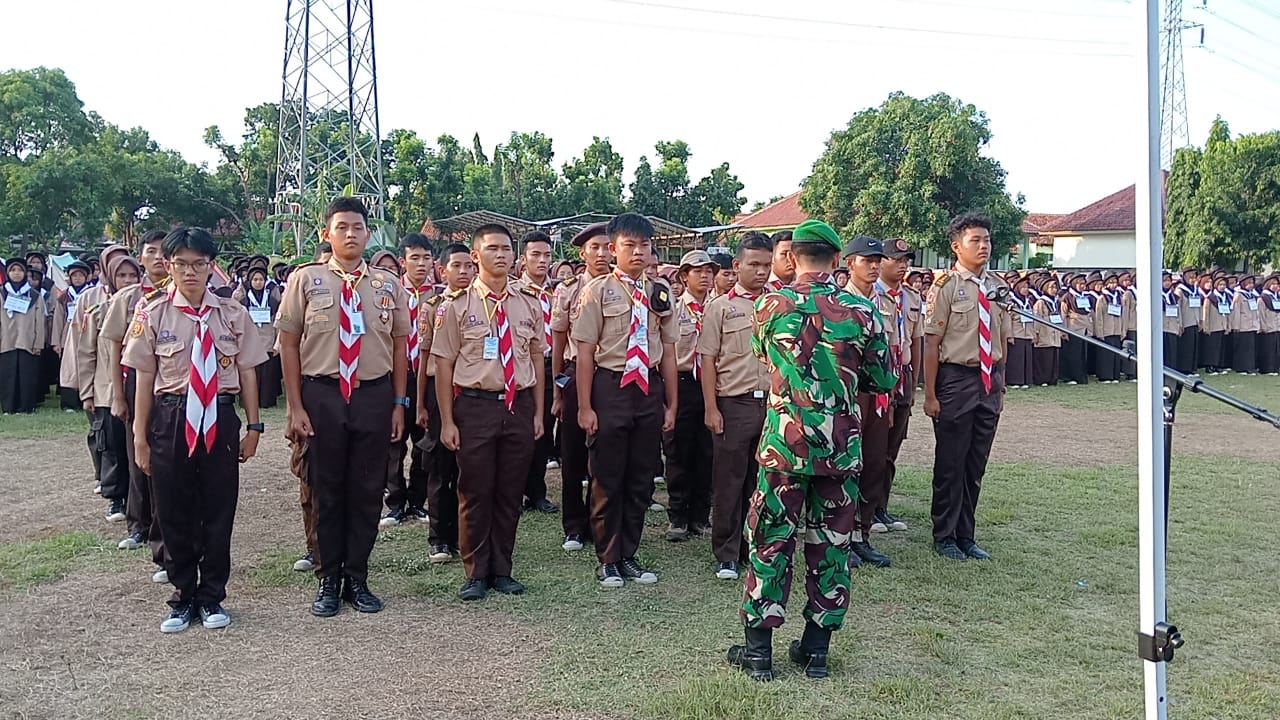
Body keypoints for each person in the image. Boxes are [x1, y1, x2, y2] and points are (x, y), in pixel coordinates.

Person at [729, 219, 895, 682]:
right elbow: (883, 379)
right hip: (839, 448)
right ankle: (816, 651)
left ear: (791, 257)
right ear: (837, 258)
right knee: (832, 547)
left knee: (770, 540)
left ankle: (758, 652)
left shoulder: (769, 305)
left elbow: (764, 356)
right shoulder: (863, 311)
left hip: (784, 446)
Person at [124, 227, 267, 633]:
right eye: (181, 264)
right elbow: (144, 379)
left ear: (211, 267)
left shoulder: (232, 313)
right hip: (172, 416)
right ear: (168, 266)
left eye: (199, 264)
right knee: (173, 508)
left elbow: (248, 372)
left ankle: (212, 596)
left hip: (219, 415)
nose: (190, 272)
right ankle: (182, 596)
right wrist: (139, 437)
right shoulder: (152, 312)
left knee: (218, 508)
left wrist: (254, 426)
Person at [276, 197, 410, 617]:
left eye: (358, 227)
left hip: (373, 394)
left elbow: (400, 347)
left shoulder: (388, 284)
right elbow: (288, 345)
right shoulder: (306, 280)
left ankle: (357, 576)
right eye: (342, 227)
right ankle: (328, 578)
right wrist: (295, 406)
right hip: (322, 394)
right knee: (325, 490)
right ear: (327, 234)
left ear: (369, 233)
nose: (351, 234)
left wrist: (398, 403)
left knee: (367, 490)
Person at [432, 224, 545, 601]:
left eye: (506, 249)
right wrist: (447, 420)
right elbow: (443, 364)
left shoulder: (528, 303)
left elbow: (536, 359)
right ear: (476, 256)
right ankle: (476, 572)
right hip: (475, 406)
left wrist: (538, 413)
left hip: (518, 404)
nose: (501, 255)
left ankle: (502, 569)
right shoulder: (456, 305)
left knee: (510, 492)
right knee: (475, 491)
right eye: (492, 248)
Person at [572, 213, 677, 587]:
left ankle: (629, 553)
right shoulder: (597, 291)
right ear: (613, 249)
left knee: (641, 476)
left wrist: (671, 404)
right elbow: (585, 353)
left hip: (648, 388)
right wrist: (585, 406)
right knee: (607, 475)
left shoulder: (660, 292)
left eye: (644, 245)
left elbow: (668, 350)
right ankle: (608, 557)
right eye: (629, 245)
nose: (638, 252)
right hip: (610, 386)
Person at [923, 212, 1011, 562]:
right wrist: (930, 394)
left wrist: (1001, 382)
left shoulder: (998, 286)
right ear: (956, 246)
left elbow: (1003, 337)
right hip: (956, 379)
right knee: (951, 462)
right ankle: (944, 535)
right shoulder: (945, 286)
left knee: (976, 463)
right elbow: (932, 343)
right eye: (975, 240)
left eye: (987, 240)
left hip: (989, 379)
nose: (983, 246)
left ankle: (966, 535)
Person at [700, 234, 772, 580]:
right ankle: (727, 553)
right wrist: (711, 408)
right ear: (737, 265)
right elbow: (708, 359)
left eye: (767, 265)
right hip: (734, 403)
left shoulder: (779, 304)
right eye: (754, 264)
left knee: (762, 482)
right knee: (729, 482)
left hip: (771, 404)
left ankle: (754, 547)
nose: (761, 271)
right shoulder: (720, 307)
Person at [100, 230, 172, 570]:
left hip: (170, 385)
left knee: (168, 457)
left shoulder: (180, 295)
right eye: (151, 251)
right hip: (134, 384)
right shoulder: (128, 298)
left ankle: (165, 523)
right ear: (140, 257)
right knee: (137, 455)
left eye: (163, 252)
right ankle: (138, 524)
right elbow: (114, 347)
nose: (158, 258)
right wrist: (117, 394)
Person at [550, 223, 611, 552]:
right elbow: (559, 341)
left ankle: (598, 521)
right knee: (573, 453)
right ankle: (573, 525)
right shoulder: (569, 289)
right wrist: (558, 390)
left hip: (611, 376)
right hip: (575, 374)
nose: (601, 254)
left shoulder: (623, 287)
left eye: (606, 247)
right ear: (582, 253)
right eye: (594, 248)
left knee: (605, 455)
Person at [842, 235, 897, 568]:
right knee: (848, 465)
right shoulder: (840, 302)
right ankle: (843, 537)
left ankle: (862, 535)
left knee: (874, 462)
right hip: (852, 392)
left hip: (878, 392)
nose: (874, 266)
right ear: (850, 263)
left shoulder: (886, 301)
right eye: (867, 261)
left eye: (878, 261)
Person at [418, 243, 474, 563]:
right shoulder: (433, 307)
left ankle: (467, 534)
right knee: (440, 465)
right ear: (443, 271)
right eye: (456, 266)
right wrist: (420, 405)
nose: (464, 272)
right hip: (438, 392)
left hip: (471, 392)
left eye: (469, 266)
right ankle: (440, 537)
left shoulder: (483, 304)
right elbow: (424, 357)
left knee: (470, 466)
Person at [380, 233, 435, 527]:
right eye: (415, 258)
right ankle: (395, 502)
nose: (421, 264)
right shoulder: (388, 294)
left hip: (426, 376)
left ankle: (417, 501)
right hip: (395, 375)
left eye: (426, 258)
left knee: (424, 441)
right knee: (394, 442)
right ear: (403, 261)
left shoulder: (440, 297)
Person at [663, 250, 717, 542]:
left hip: (712, 384)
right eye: (698, 271)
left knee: (707, 452)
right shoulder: (673, 309)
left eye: (709, 271)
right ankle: (678, 516)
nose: (705, 276)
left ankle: (700, 515)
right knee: (679, 451)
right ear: (684, 276)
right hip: (683, 383)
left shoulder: (720, 307)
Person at [875, 240, 923, 531]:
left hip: (902, 374)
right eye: (896, 259)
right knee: (873, 444)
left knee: (892, 446)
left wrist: (914, 383)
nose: (903, 265)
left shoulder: (911, 297)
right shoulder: (871, 294)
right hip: (878, 375)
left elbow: (916, 341)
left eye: (906, 260)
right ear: (881, 261)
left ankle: (882, 506)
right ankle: (865, 508)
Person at [513, 231, 560, 515]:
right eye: (536, 255)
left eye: (547, 255)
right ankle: (514, 491)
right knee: (519, 431)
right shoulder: (514, 292)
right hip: (522, 367)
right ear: (523, 259)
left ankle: (537, 492)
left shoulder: (558, 292)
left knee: (543, 429)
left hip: (552, 366)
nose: (543, 261)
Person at [1, 257, 48, 414]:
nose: (16, 273)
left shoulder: (34, 295)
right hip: (6, 341)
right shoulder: (2, 293)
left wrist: (38, 343)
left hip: (28, 342)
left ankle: (26, 406)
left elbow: (39, 321)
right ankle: (8, 406)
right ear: (7, 273)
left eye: (20, 270)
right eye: (13, 270)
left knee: (27, 376)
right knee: (8, 376)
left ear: (25, 273)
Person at [238, 266, 282, 407]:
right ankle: (249, 400)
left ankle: (266, 401)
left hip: (268, 339)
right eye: (255, 280)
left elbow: (277, 321)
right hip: (250, 341)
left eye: (261, 280)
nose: (258, 282)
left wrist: (277, 342)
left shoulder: (273, 300)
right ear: (250, 281)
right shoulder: (244, 300)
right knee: (251, 373)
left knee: (267, 373)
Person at [52, 259, 93, 410]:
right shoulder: (64, 296)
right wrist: (56, 341)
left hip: (87, 333)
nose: (77, 278)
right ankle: (69, 402)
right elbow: (58, 319)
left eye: (81, 275)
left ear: (87, 277)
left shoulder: (92, 294)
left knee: (86, 366)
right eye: (74, 275)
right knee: (69, 368)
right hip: (68, 335)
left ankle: (85, 398)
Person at [1092, 272, 1125, 383]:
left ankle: (1115, 375)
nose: (1113, 285)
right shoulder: (1102, 298)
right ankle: (1106, 376)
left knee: (1116, 354)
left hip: (1117, 330)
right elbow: (1099, 316)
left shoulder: (1119, 297)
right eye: (1111, 282)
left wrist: (1122, 330)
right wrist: (1100, 332)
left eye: (1115, 282)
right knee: (1106, 355)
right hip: (1106, 330)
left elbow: (1123, 315)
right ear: (1106, 284)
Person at [1031, 277, 1064, 387]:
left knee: (1054, 357)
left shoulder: (1056, 302)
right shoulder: (1041, 302)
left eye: (1055, 287)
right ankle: (1042, 379)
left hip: (1055, 332)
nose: (1054, 290)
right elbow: (1037, 318)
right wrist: (1036, 333)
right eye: (1051, 287)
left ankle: (1052, 379)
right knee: (1044, 357)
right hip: (1044, 332)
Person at [1059, 274, 1091, 385]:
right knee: (1073, 355)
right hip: (1072, 330)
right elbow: (1063, 315)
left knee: (1082, 355)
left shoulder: (1084, 297)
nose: (1082, 286)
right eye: (1080, 284)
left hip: (1084, 330)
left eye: (1084, 284)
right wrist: (1064, 331)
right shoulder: (1067, 298)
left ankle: (1081, 376)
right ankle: (1071, 377)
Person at [1005, 274, 1035, 389]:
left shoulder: (1028, 302)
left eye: (1027, 287)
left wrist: (1033, 333)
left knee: (1026, 358)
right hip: (1016, 332)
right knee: (1016, 358)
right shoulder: (1012, 302)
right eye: (1023, 287)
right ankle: (1014, 380)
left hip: (1027, 333)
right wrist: (1009, 335)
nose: (1026, 289)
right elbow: (1008, 319)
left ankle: (1025, 380)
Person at [1175, 267, 1202, 374]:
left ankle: (1192, 368)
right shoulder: (1180, 290)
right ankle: (1185, 369)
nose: (1192, 280)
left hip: (1195, 321)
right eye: (1190, 277)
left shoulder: (1195, 290)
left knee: (1194, 346)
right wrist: (1180, 323)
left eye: (1194, 277)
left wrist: (1200, 320)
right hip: (1186, 322)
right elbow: (1178, 308)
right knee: (1186, 347)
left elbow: (1199, 307)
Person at [1199, 274, 1228, 374]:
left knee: (1220, 347)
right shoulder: (1210, 298)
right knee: (1212, 347)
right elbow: (1205, 314)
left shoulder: (1225, 297)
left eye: (1224, 285)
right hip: (1212, 326)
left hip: (1222, 325)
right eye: (1220, 285)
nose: (1222, 287)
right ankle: (1210, 366)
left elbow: (1227, 312)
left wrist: (1227, 325)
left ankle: (1218, 365)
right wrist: (1206, 327)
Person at [1258, 274, 1280, 375]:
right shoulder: (1263, 298)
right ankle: (1267, 369)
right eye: (1273, 284)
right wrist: (1264, 327)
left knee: (1276, 350)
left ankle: (1275, 368)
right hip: (1268, 327)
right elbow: (1261, 314)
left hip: (1277, 327)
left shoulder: (1277, 297)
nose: (1275, 286)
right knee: (1268, 350)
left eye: (1277, 284)